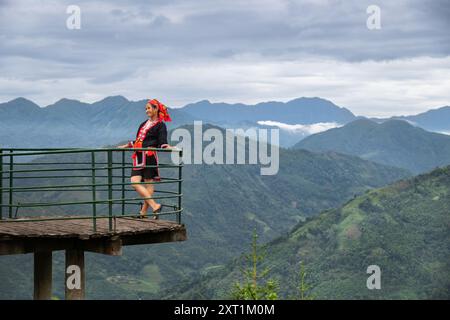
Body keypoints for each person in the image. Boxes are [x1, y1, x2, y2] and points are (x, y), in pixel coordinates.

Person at [118, 99, 172, 219]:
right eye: (146, 108)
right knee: (135, 182)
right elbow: (139, 140)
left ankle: (143, 213)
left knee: (148, 184)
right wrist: (127, 145)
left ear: (156, 109)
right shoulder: (143, 124)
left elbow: (162, 142)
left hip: (149, 156)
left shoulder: (161, 125)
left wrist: (167, 147)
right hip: (138, 156)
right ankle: (155, 206)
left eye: (149, 108)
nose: (147, 110)